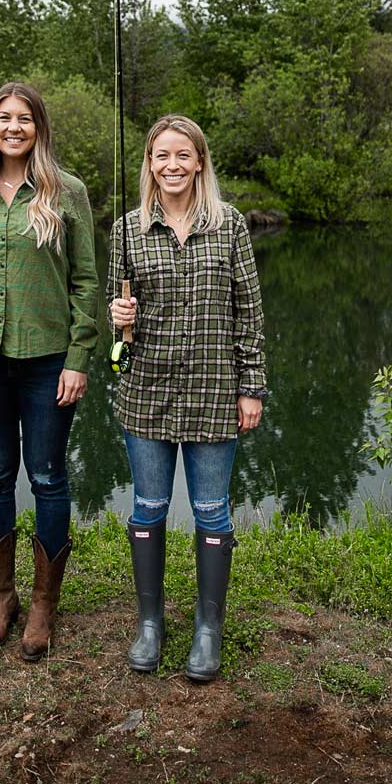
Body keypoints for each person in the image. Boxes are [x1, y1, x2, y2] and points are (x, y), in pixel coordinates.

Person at [0, 82, 99, 661]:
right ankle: (0, 597)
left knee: (49, 478)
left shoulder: (67, 192)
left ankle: (43, 605)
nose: (13, 127)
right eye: (4, 118)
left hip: (50, 359)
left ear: (39, 128)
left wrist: (80, 359)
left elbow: (86, 283)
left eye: (23, 119)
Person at [108, 114, 266, 682]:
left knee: (210, 511)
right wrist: (117, 316)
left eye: (182, 155)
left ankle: (207, 627)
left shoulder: (231, 226)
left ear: (200, 161)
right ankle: (150, 623)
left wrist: (252, 387)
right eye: (160, 156)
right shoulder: (128, 229)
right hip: (145, 391)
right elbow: (113, 309)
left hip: (214, 392)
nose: (171, 165)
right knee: (148, 507)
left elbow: (248, 313)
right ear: (149, 165)